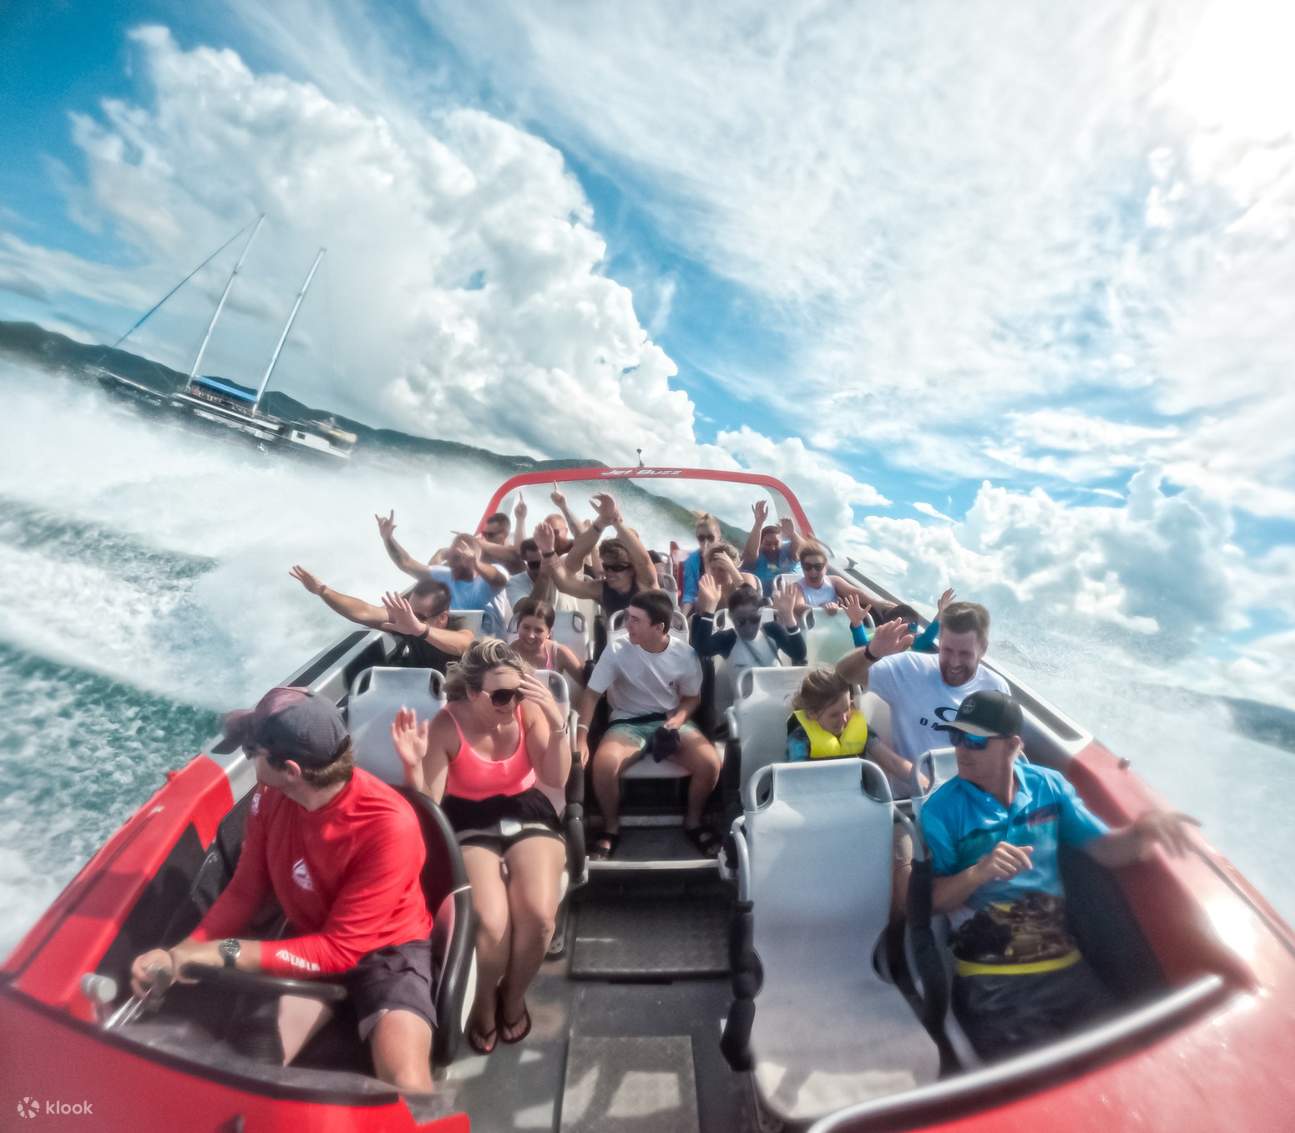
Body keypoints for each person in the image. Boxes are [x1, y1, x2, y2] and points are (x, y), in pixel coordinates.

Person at [129, 688, 437, 1092]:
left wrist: (222, 952)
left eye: (252, 750)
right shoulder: (268, 796)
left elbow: (340, 951)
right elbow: (244, 891)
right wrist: (180, 954)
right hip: (310, 937)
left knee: (407, 1084)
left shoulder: (388, 827)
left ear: (291, 770)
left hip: (386, 954)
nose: (248, 758)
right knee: (250, 1068)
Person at [921, 690, 1199, 1060]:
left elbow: (1105, 849)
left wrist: (1144, 830)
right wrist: (977, 873)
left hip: (1068, 970)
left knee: (1135, 1059)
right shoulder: (940, 810)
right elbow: (932, 902)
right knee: (1046, 1082)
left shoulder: (1048, 787)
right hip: (992, 984)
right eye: (956, 736)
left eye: (975, 740)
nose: (961, 749)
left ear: (1012, 746)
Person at [391, 639, 571, 1055]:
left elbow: (556, 777)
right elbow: (429, 806)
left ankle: (514, 994)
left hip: (525, 809)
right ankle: (485, 1001)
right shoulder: (446, 725)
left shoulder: (526, 712)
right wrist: (412, 767)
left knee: (540, 917)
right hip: (468, 819)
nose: (512, 703)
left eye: (518, 693)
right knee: (491, 923)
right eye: (501, 696)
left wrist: (557, 722)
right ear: (473, 693)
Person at [575, 590, 722, 860]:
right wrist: (581, 737)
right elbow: (592, 694)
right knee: (604, 765)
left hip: (669, 720)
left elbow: (692, 698)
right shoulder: (617, 649)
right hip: (627, 723)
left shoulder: (684, 654)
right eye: (627, 617)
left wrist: (678, 720)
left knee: (710, 763)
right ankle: (610, 827)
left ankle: (693, 821)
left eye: (635, 620)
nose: (627, 625)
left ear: (659, 627)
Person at [784, 667, 921, 918]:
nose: (845, 719)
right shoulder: (800, 737)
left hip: (856, 811)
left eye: (848, 709)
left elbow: (891, 761)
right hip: (816, 815)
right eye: (835, 715)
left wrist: (924, 782)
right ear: (812, 714)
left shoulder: (859, 728)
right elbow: (798, 781)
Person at [836, 601, 1010, 783]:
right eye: (947, 650)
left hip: (966, 793)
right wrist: (871, 653)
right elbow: (844, 673)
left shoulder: (996, 689)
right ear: (940, 641)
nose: (954, 663)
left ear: (983, 649)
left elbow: (1000, 753)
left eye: (965, 654)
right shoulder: (910, 667)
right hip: (910, 793)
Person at [289, 567, 472, 673]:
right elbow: (364, 611)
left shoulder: (460, 628)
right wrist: (323, 591)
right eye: (409, 611)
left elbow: (464, 644)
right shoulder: (405, 620)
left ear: (442, 618)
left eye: (420, 617)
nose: (410, 618)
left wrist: (419, 629)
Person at [378, 515, 510, 633]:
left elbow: (500, 580)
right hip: (455, 641)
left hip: (491, 645)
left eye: (460, 557)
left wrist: (476, 563)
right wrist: (388, 539)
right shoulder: (446, 575)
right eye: (452, 555)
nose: (453, 563)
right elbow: (406, 563)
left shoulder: (490, 575)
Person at [534, 494, 657, 618]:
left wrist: (616, 522)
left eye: (617, 568)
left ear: (632, 569)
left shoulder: (645, 583)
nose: (609, 572)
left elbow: (644, 561)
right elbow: (566, 585)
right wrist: (548, 551)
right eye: (606, 567)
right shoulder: (602, 589)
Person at [691, 579, 806, 677]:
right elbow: (702, 649)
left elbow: (799, 654)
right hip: (746, 697)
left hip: (776, 693)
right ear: (731, 617)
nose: (748, 627)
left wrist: (789, 617)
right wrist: (708, 610)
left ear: (761, 615)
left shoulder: (772, 630)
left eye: (754, 619)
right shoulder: (728, 639)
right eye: (741, 621)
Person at [843, 589, 952, 653]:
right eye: (900, 626)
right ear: (887, 627)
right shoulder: (878, 641)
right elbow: (861, 646)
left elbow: (929, 634)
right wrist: (857, 623)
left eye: (912, 626)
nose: (906, 630)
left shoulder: (914, 644)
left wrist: (941, 613)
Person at [511, 597, 585, 690]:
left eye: (538, 630)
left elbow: (590, 687)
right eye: (526, 627)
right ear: (518, 626)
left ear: (549, 633)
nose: (531, 635)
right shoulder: (508, 653)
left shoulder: (558, 654)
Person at [789, 542, 874, 615]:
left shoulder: (834, 581)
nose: (813, 571)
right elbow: (798, 607)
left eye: (818, 566)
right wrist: (821, 608)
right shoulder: (796, 587)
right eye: (807, 566)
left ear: (825, 567)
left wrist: (876, 603)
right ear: (802, 567)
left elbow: (855, 593)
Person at [740, 500, 803, 597]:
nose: (772, 548)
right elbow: (750, 554)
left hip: (792, 600)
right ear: (760, 544)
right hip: (762, 602)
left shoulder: (787, 551)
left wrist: (793, 533)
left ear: (782, 542)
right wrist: (758, 523)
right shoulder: (756, 557)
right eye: (768, 544)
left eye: (776, 543)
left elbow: (802, 549)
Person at [680, 513, 722, 614]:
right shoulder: (692, 560)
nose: (706, 542)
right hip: (701, 607)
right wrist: (683, 616)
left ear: (718, 537)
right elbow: (689, 594)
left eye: (710, 538)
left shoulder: (726, 557)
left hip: (723, 605)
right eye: (701, 538)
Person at [703, 540, 762, 608]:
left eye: (722, 569)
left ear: (734, 568)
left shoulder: (746, 578)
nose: (716, 574)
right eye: (713, 569)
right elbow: (701, 611)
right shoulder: (709, 587)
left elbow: (749, 602)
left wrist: (731, 569)